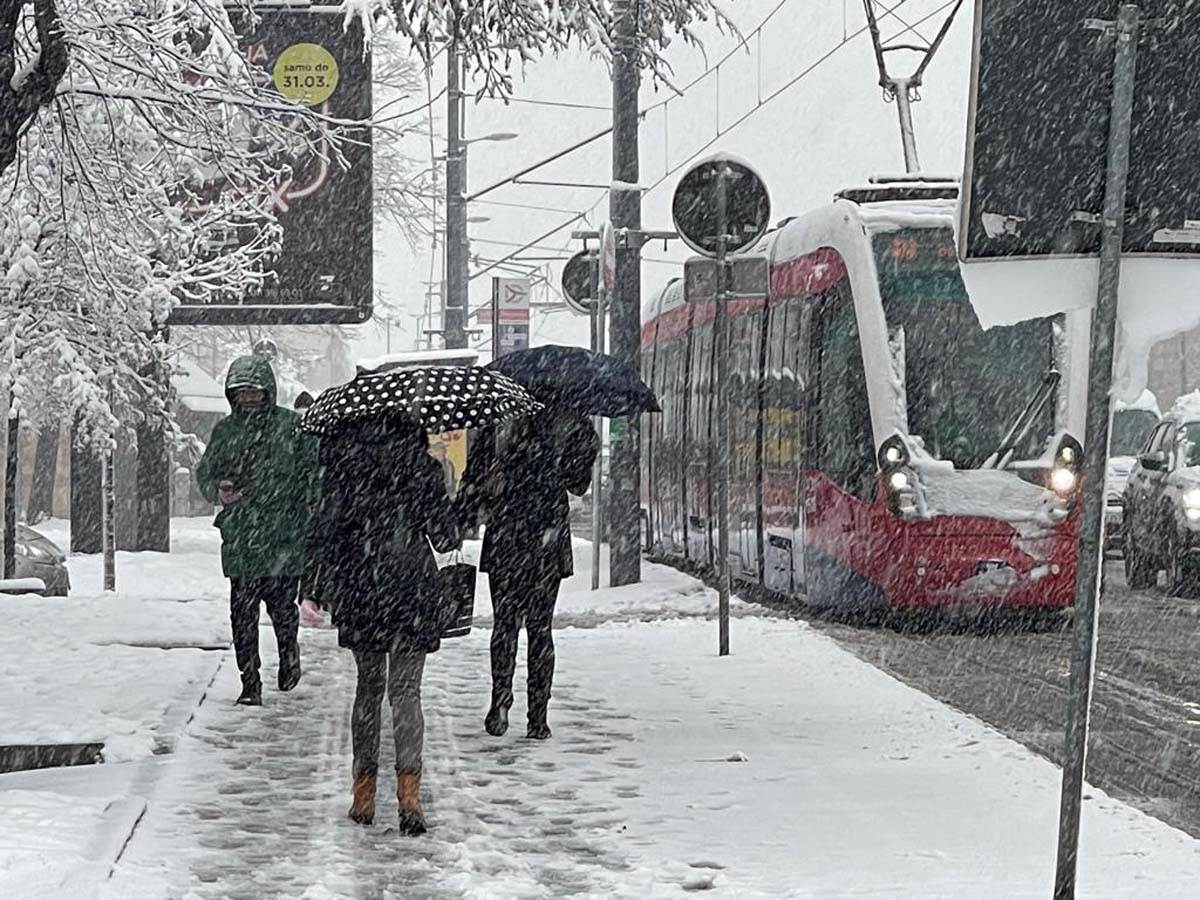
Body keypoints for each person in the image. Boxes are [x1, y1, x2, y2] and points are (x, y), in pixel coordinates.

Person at [304, 410, 460, 836]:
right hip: (411, 586)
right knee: (406, 692)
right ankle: (410, 796)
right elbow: (446, 538)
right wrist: (447, 497)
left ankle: (364, 793)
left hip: (361, 585)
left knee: (369, 689)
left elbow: (324, 531)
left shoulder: (344, 467)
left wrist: (314, 584)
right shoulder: (422, 468)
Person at [459, 409, 598, 740]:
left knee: (504, 625)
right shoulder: (568, 421)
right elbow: (578, 484)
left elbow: (473, 481)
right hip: (547, 541)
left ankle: (501, 699)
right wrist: (584, 444)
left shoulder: (501, 418)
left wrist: (466, 514)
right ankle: (538, 717)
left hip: (507, 534)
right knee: (540, 629)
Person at [196, 355, 318, 707]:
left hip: (283, 538)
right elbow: (206, 474)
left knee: (282, 610)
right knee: (243, 617)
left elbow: (313, 474)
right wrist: (218, 491)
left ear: (268, 391)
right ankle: (250, 681)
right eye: (242, 392)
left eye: (255, 391)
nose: (248, 398)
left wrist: (306, 508)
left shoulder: (292, 427)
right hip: (242, 541)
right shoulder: (225, 430)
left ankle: (288, 654)